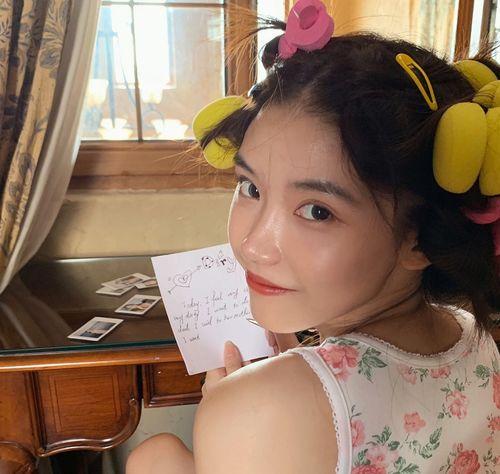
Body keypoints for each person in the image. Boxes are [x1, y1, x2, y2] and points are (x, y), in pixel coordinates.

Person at [126, 1, 500, 472]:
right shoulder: (472, 338)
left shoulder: (262, 411)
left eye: (317, 211)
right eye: (251, 187)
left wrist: (232, 412)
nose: (253, 246)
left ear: (420, 237)